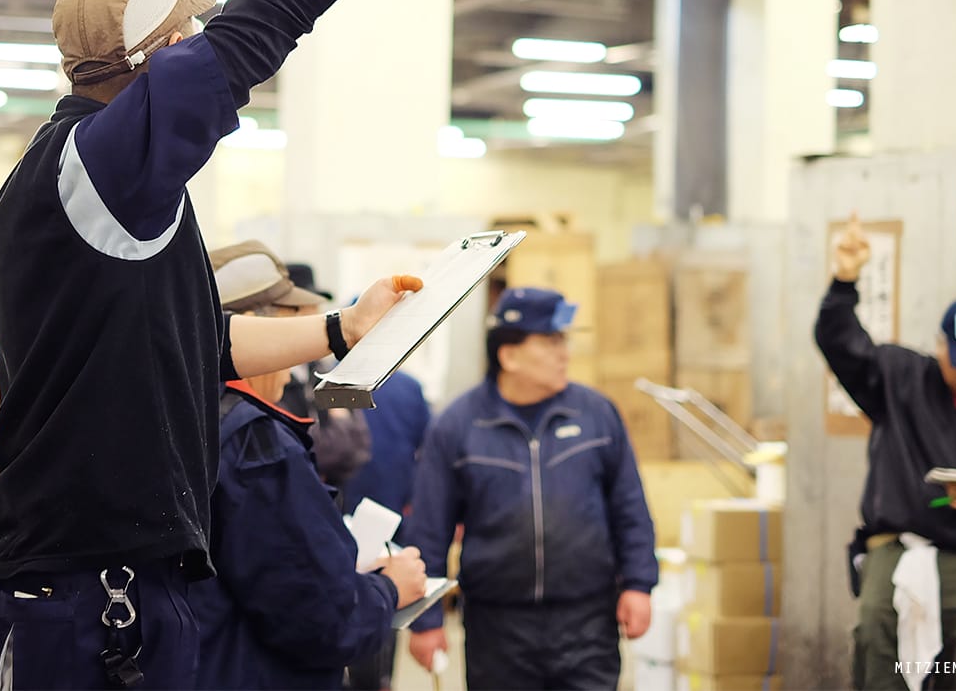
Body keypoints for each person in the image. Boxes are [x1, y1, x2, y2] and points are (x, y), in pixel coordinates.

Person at [0, 0, 457, 691]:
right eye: (187, 31)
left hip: (99, 589)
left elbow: (196, 350)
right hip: (92, 602)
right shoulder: (100, 170)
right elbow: (274, 6)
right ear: (155, 62)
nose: (204, 40)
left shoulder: (111, 201)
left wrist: (335, 327)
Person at [817, 213, 956, 690]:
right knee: (877, 634)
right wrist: (845, 279)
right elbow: (839, 343)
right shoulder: (899, 378)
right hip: (899, 548)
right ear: (941, 345)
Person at [406, 287, 657, 689]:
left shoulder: (596, 415)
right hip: (498, 628)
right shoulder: (459, 426)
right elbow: (429, 529)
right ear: (509, 355)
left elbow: (628, 506)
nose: (565, 353)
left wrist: (639, 584)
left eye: (565, 341)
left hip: (588, 620)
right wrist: (426, 619)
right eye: (551, 341)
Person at [190, 313, 427, 689]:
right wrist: (389, 589)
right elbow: (324, 621)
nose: (292, 369)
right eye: (290, 327)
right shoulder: (255, 446)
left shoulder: (175, 420)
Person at [212, 241, 373, 493]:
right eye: (296, 310)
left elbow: (358, 446)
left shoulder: (317, 368)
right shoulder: (240, 412)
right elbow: (321, 450)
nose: (311, 316)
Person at [343, 368, 432, 691]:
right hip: (365, 525)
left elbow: (428, 456)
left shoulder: (407, 388)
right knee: (378, 606)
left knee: (379, 606)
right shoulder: (332, 381)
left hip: (379, 526)